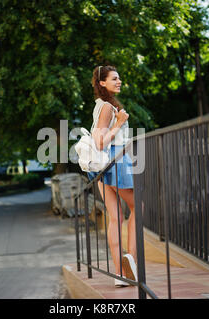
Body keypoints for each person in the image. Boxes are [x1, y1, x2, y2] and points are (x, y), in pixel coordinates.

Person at [87, 65, 137, 287]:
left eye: (119, 78)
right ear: (102, 83)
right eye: (114, 78)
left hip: (102, 166)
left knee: (116, 218)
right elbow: (100, 141)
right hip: (115, 161)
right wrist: (119, 123)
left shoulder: (100, 106)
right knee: (138, 208)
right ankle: (132, 263)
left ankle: (120, 274)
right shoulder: (107, 107)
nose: (119, 81)